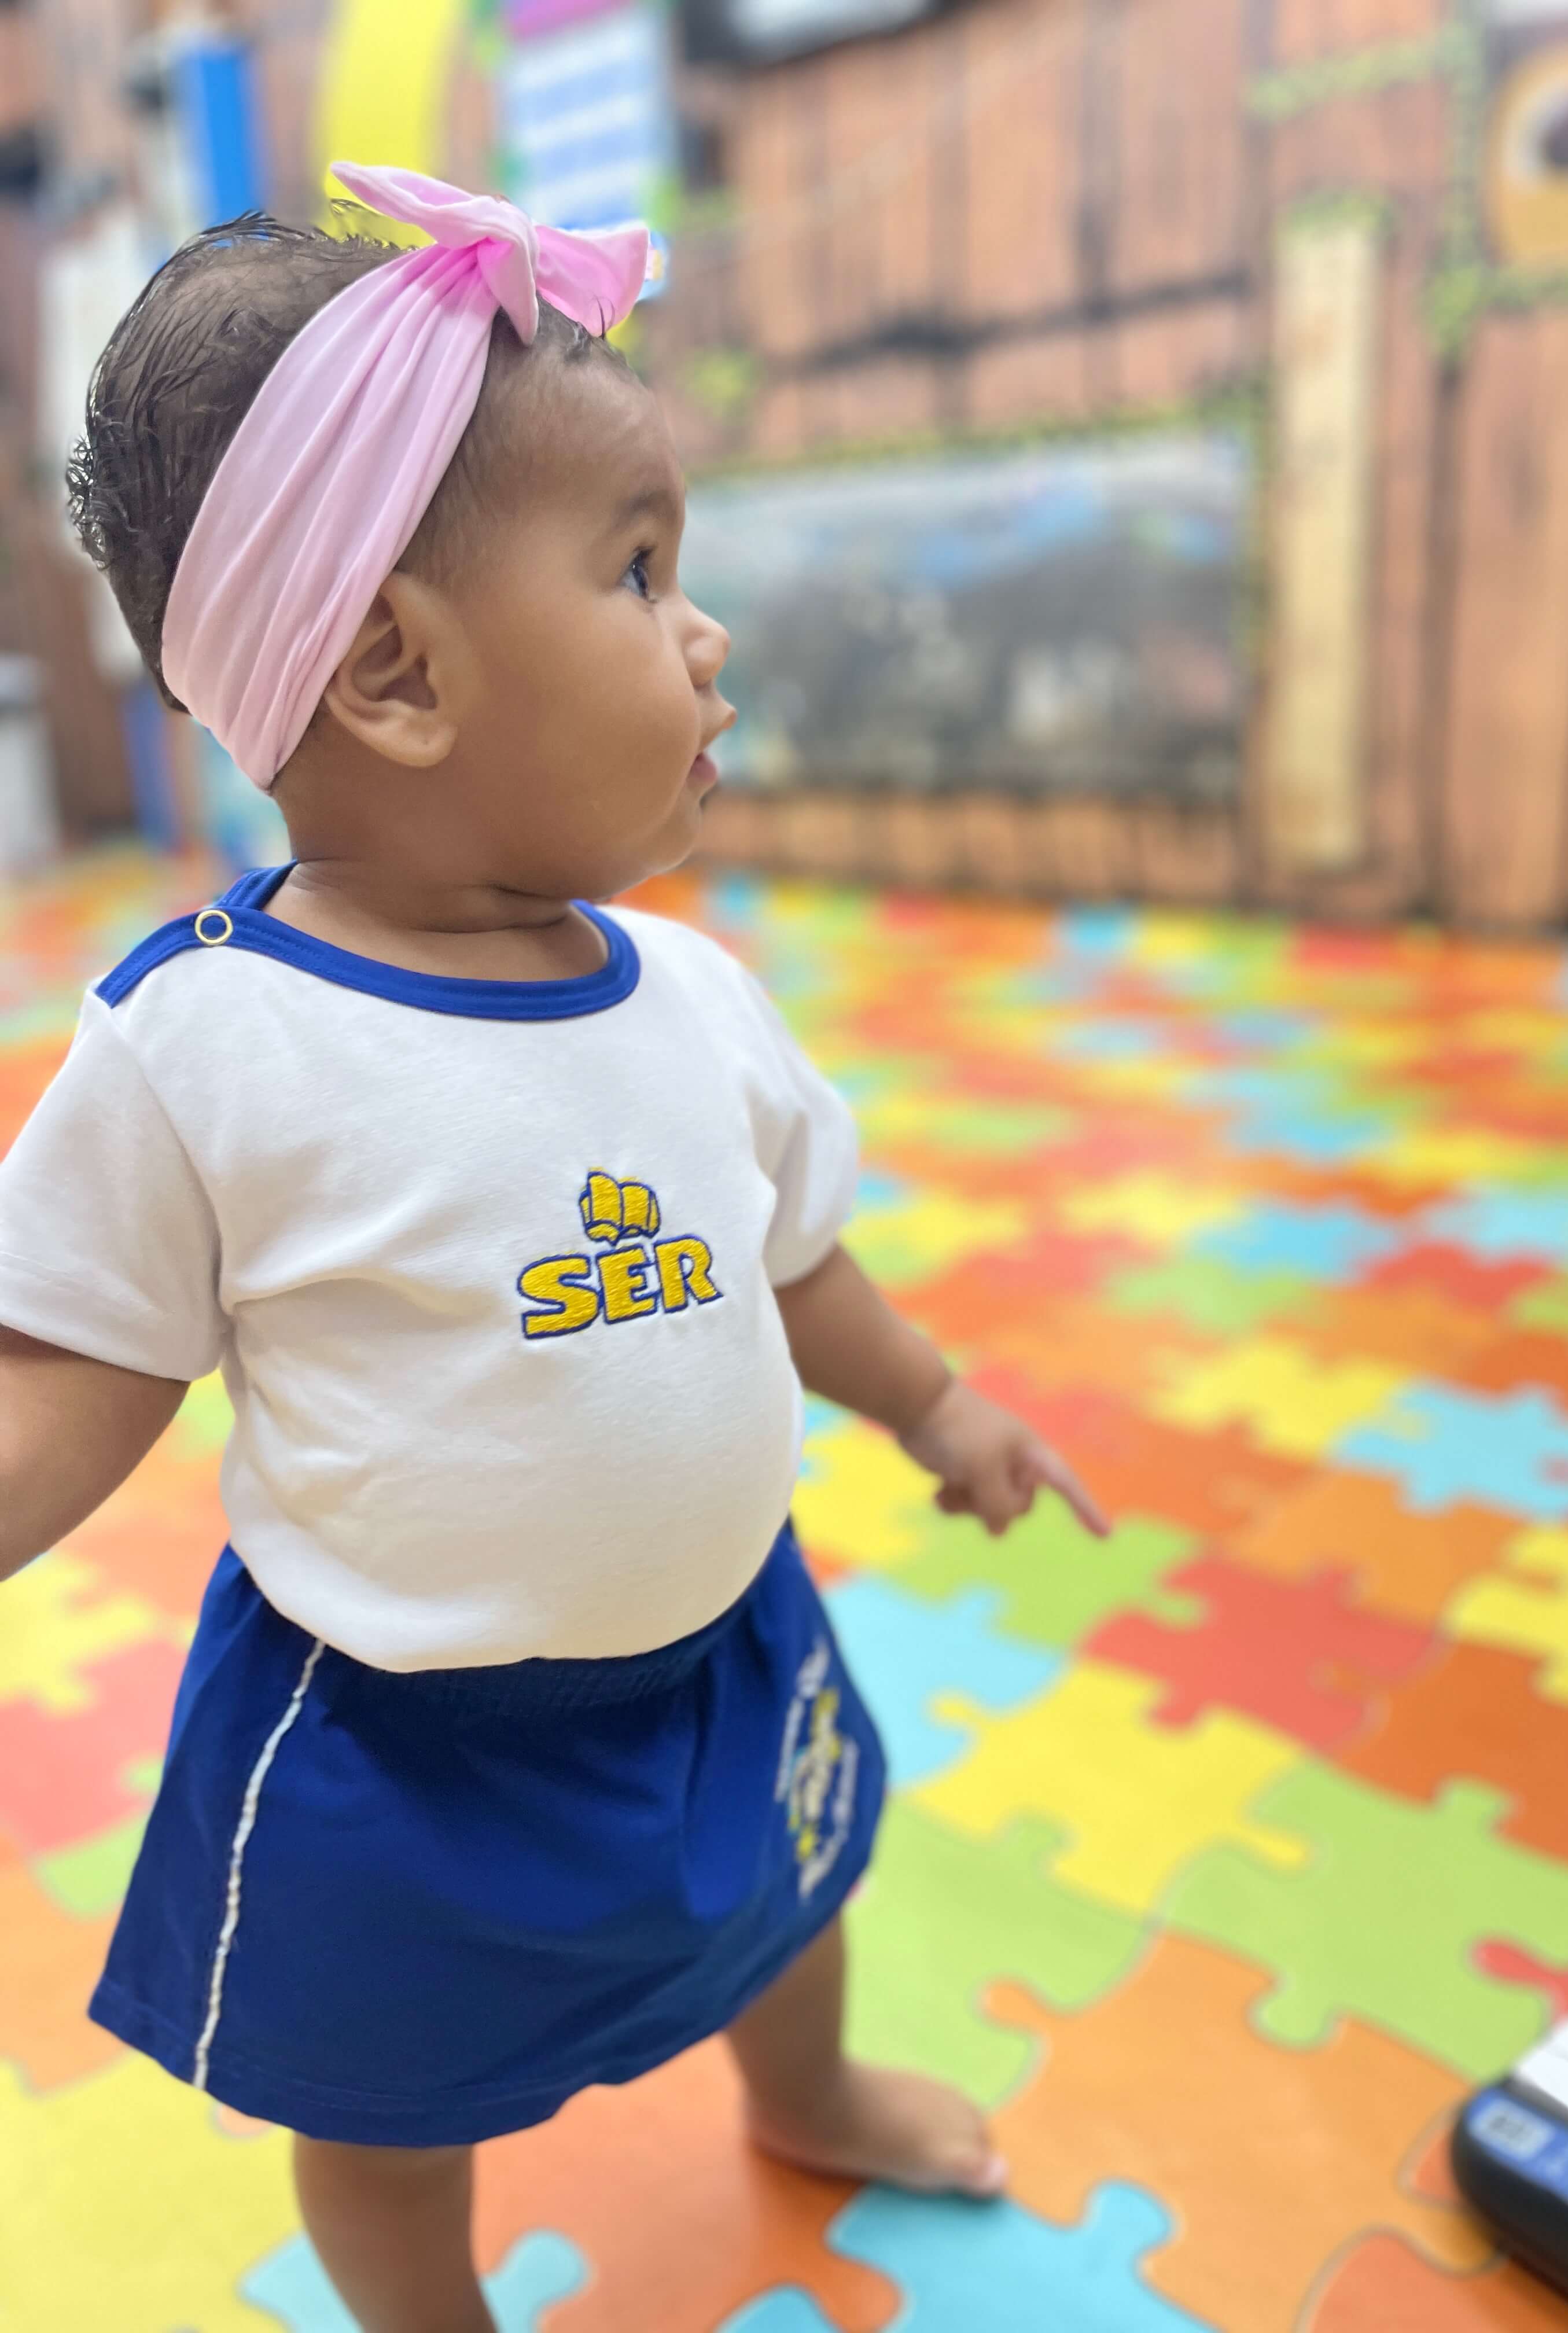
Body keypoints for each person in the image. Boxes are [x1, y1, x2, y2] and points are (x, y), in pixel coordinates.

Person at [0, 164, 1108, 2332]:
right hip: (401, 1749)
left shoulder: (693, 998)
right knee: (384, 2113)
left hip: (723, 1647)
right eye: (637, 567)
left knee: (795, 1895)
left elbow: (797, 1263)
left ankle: (805, 2094)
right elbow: (72, 1386)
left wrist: (942, 1405)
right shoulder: (207, 1046)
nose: (706, 635)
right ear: (397, 673)